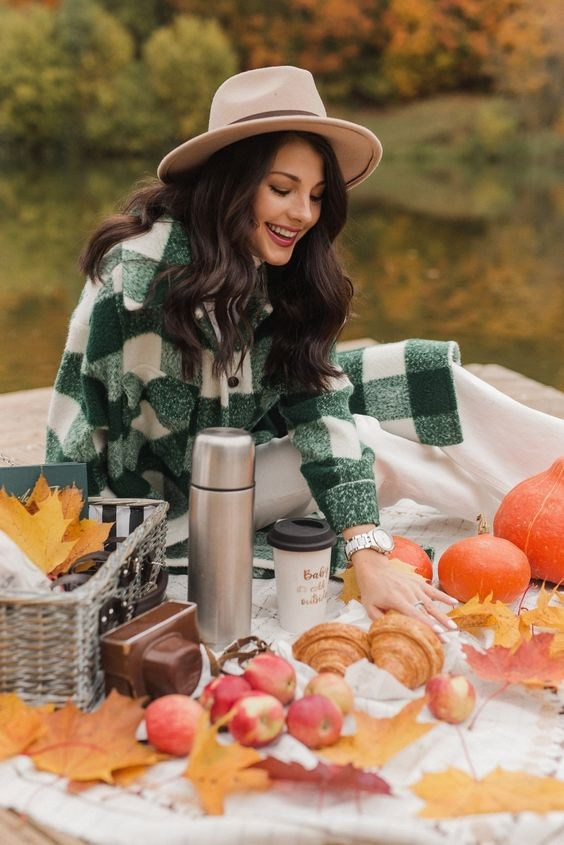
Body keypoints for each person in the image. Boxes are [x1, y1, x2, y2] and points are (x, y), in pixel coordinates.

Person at [46, 66, 563, 633]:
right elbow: (85, 424)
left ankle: (548, 493)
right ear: (231, 181)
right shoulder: (139, 278)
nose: (304, 215)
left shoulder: (278, 270)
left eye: (316, 195)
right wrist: (365, 548)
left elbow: (318, 398)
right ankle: (509, 525)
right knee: (363, 443)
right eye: (282, 189)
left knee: (423, 370)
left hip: (247, 433)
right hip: (168, 510)